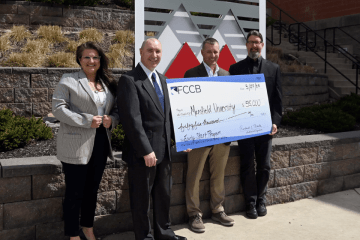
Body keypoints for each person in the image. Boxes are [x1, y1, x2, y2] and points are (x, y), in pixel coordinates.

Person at [116, 38, 187, 240]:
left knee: (163, 195)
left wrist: (182, 140)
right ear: (140, 52)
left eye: (157, 51)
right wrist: (146, 150)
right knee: (141, 199)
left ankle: (164, 233)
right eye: (150, 51)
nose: (154, 55)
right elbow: (132, 121)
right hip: (143, 154)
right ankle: (145, 237)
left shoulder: (163, 80)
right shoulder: (130, 80)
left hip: (164, 152)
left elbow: (169, 117)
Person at [52, 42, 119, 240]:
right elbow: (58, 108)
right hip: (76, 143)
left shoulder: (107, 83)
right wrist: (86, 120)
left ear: (100, 60)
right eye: (87, 57)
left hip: (100, 141)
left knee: (92, 190)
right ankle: (73, 235)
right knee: (74, 192)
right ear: (79, 60)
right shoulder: (69, 80)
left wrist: (111, 120)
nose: (92, 61)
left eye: (95, 57)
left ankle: (88, 229)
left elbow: (116, 110)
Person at [229, 30, 282, 219]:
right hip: (245, 127)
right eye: (251, 42)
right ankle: (250, 203)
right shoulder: (235, 69)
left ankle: (261, 199)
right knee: (247, 166)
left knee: (264, 166)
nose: (254, 46)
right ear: (246, 45)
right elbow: (231, 99)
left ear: (262, 45)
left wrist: (275, 122)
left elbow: (277, 100)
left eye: (257, 42)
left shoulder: (273, 68)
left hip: (265, 127)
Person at [183, 38, 234, 233]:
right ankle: (194, 214)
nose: (213, 55)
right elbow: (186, 107)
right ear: (202, 53)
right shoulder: (191, 74)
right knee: (194, 174)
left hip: (222, 135)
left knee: (219, 174)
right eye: (209, 52)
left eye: (216, 52)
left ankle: (217, 209)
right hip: (199, 133)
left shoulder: (226, 74)